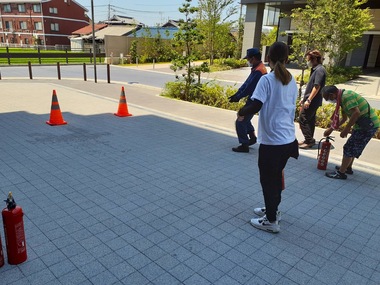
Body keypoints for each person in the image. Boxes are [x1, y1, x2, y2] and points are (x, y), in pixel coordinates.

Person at [237, 42, 299, 233]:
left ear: (268, 59)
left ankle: (271, 221)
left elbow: (255, 105)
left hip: (273, 142)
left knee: (268, 181)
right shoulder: (292, 80)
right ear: (287, 59)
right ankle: (273, 210)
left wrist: (241, 112)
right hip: (288, 140)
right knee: (275, 179)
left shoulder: (267, 80)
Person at [322, 85, 379, 179]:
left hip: (368, 126)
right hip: (362, 125)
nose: (329, 100)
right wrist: (331, 129)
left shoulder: (346, 97)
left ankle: (341, 173)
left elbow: (356, 112)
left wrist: (347, 129)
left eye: (328, 98)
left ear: (332, 95)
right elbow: (344, 118)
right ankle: (347, 167)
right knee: (352, 146)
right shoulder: (342, 99)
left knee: (349, 147)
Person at [228, 48, 267, 153]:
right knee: (245, 118)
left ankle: (244, 145)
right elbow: (246, 84)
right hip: (253, 99)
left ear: (253, 58)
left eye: (249, 59)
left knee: (240, 121)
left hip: (256, 101)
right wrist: (236, 95)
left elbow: (249, 87)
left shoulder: (259, 71)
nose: (248, 61)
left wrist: (238, 97)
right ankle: (252, 138)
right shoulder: (257, 68)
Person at [298, 50, 327, 149]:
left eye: (308, 59)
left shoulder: (320, 70)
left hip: (313, 100)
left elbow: (317, 86)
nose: (307, 61)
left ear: (314, 59)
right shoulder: (315, 69)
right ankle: (309, 139)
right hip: (311, 99)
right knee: (310, 120)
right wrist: (304, 98)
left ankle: (309, 140)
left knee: (303, 118)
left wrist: (309, 100)